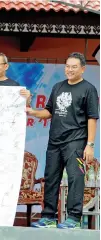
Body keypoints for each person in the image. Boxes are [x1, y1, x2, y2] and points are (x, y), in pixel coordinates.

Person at [29, 52, 99, 229]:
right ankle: (49, 217)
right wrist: (33, 112)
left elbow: (92, 118)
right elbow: (49, 111)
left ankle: (74, 219)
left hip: (76, 141)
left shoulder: (88, 89)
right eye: (67, 66)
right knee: (51, 178)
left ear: (82, 69)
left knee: (76, 178)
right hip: (55, 141)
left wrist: (90, 145)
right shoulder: (58, 87)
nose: (70, 69)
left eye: (74, 66)